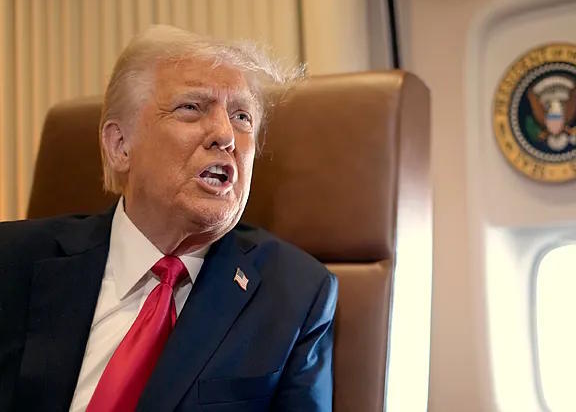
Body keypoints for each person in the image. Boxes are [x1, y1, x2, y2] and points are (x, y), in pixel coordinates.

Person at [0, 25, 337, 412]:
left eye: (242, 116)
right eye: (192, 108)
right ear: (120, 145)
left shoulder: (294, 296)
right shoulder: (11, 261)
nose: (225, 135)